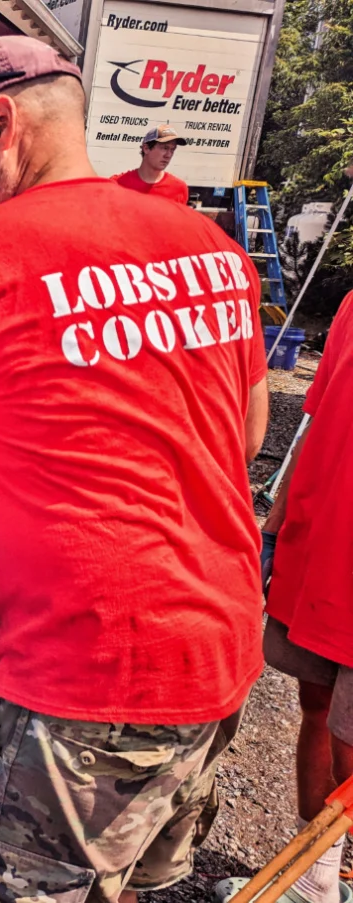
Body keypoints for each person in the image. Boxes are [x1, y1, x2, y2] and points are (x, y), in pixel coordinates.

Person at [0, 36, 268, 903]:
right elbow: (242, 439)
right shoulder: (214, 249)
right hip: (220, 650)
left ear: (2, 123)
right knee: (123, 882)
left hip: (85, 675)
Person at [241, 292, 353, 903]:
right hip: (320, 548)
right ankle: (316, 878)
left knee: (351, 748)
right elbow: (317, 417)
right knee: (315, 705)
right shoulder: (352, 306)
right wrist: (275, 526)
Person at [112, 125, 190, 204]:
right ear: (146, 148)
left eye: (172, 149)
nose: (168, 155)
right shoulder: (117, 184)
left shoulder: (179, 189)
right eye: (165, 148)